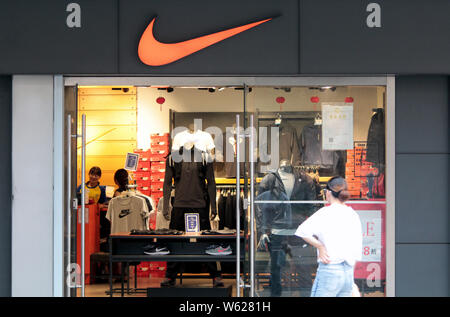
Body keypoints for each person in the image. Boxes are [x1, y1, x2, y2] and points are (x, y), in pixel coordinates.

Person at [295, 176, 362, 297]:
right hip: (347, 272)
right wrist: (352, 281)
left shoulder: (325, 213)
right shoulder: (352, 214)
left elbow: (301, 231)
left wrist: (320, 246)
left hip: (329, 269)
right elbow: (356, 249)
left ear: (328, 193)